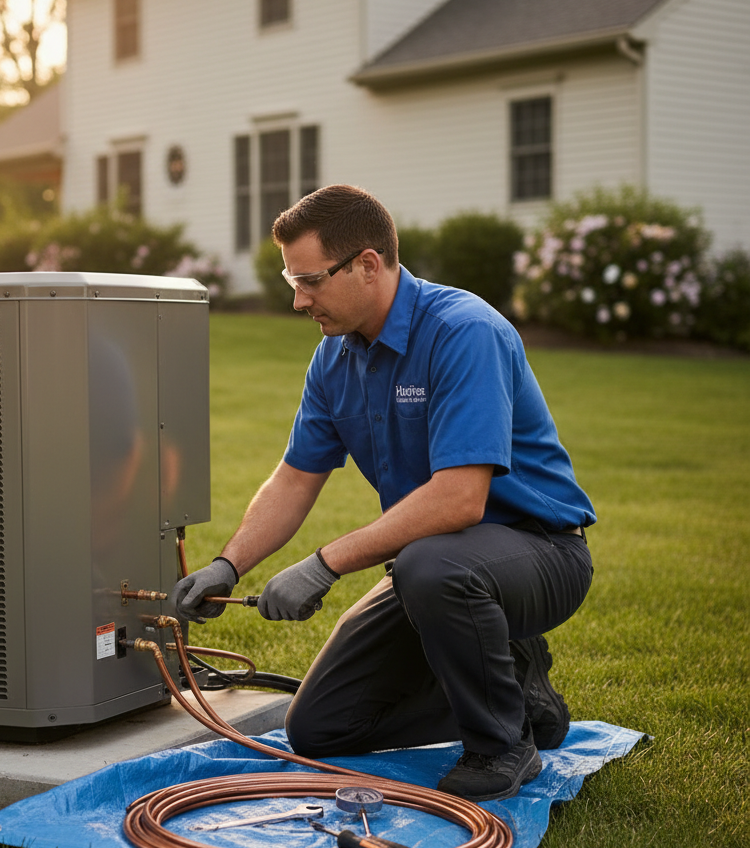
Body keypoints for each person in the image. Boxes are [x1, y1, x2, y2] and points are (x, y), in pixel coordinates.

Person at [172, 185, 595, 802]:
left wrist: (325, 564)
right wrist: (227, 564)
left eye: (310, 280)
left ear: (368, 264)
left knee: (427, 565)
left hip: (540, 554)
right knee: (320, 728)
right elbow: (295, 477)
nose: (298, 300)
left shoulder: (463, 331)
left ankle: (502, 744)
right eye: (293, 281)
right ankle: (517, 689)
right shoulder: (334, 358)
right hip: (443, 564)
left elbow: (459, 502)